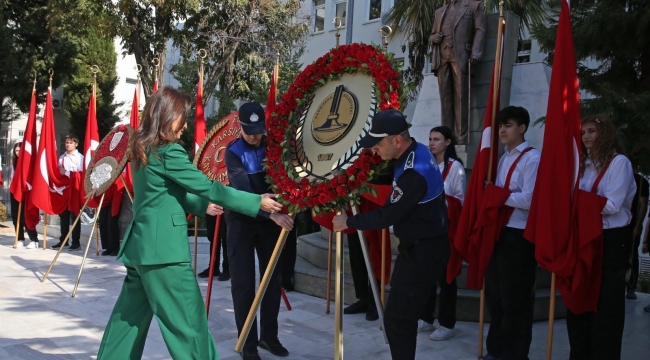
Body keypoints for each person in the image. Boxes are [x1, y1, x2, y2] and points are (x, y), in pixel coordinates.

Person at [96, 87, 283, 360]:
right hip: (165, 255)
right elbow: (210, 187)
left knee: (127, 323)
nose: (185, 125)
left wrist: (201, 206)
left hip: (141, 249)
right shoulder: (168, 151)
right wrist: (257, 203)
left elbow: (163, 195)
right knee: (190, 326)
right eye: (183, 118)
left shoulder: (142, 148)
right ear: (168, 116)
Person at [333, 109, 449, 360]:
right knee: (399, 318)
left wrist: (348, 221)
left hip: (424, 251)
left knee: (397, 320)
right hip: (420, 246)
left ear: (397, 140)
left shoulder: (413, 171)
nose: (374, 150)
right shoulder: (414, 151)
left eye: (377, 144)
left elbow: (387, 216)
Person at [225, 102, 294, 360]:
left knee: (272, 281)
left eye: (259, 130)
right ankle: (248, 343)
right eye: (250, 131)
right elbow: (243, 195)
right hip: (242, 221)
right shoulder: (233, 153)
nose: (255, 136)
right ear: (241, 127)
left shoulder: (273, 147)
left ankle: (269, 336)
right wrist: (272, 213)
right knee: (244, 284)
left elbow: (285, 178)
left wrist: (281, 209)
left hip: (270, 223)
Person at [567, 115, 636, 360]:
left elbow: (613, 205)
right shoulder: (584, 165)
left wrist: (575, 202)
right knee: (581, 298)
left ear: (605, 133)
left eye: (592, 131)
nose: (586, 136)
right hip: (586, 236)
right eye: (583, 132)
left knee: (606, 307)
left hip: (611, 241)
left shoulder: (619, 163)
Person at [483, 106, 540, 360]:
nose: (502, 130)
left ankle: (515, 354)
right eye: (500, 126)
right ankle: (496, 349)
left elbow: (530, 198)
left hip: (520, 235)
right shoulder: (504, 157)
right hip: (500, 231)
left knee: (516, 300)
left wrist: (497, 195)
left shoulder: (532, 159)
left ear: (523, 128)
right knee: (496, 297)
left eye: (508, 125)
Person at [418, 125, 466, 341]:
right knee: (426, 275)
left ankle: (447, 323)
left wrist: (439, 201)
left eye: (436, 139)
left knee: (446, 279)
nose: (431, 143)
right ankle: (426, 318)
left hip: (446, 231)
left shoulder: (456, 168)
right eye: (430, 139)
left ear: (448, 142)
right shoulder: (426, 166)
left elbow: (460, 201)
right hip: (427, 230)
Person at [429, 0, 486, 144]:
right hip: (442, 59)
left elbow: (480, 30)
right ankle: (446, 139)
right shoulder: (439, 11)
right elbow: (432, 35)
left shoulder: (474, 5)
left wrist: (476, 53)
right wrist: (433, 38)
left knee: (461, 98)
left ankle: (461, 140)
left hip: (461, 57)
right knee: (446, 101)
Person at [51, 134, 84, 251]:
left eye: (70, 142)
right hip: (63, 190)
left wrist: (67, 172)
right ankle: (63, 240)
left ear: (76, 144)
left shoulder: (80, 158)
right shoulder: (62, 157)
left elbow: (81, 174)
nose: (68, 144)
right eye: (66, 142)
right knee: (63, 216)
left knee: (75, 215)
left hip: (74, 189)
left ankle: (76, 242)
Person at [10, 142, 40, 248]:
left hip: (26, 190)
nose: (18, 152)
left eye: (19, 150)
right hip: (15, 190)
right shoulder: (14, 161)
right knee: (15, 215)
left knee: (26, 215)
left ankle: (33, 239)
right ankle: (20, 238)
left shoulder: (27, 162)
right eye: (16, 150)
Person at [627, 173, 648, 299]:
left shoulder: (640, 181)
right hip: (617, 224)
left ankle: (631, 286)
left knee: (632, 255)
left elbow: (643, 204)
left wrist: (638, 225)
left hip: (632, 223)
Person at [197, 212, 230, 281]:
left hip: (226, 206)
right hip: (212, 205)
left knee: (226, 237)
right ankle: (213, 268)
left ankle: (227, 269)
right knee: (213, 236)